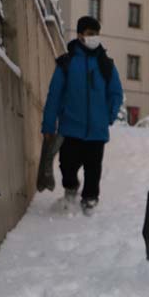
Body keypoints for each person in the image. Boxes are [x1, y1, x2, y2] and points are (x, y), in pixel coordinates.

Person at [41, 15, 124, 216]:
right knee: (67, 165)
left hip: (97, 130)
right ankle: (70, 188)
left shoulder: (106, 64)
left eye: (96, 34)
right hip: (71, 127)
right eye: (89, 34)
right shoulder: (67, 64)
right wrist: (48, 126)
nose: (93, 37)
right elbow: (54, 96)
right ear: (79, 35)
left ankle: (90, 199)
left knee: (93, 168)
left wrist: (108, 116)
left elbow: (116, 93)